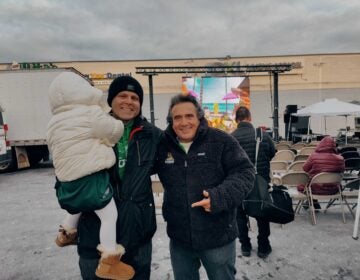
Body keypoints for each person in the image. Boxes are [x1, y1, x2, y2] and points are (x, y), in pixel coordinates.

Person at [155, 94, 255, 280]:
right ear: (171, 121)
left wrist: (219, 198)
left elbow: (245, 173)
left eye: (189, 116)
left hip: (218, 237)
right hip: (180, 239)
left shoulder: (221, 141)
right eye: (177, 118)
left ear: (199, 118)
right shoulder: (162, 146)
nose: (184, 122)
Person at [47, 72, 135, 280]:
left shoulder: (54, 122)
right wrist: (116, 126)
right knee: (108, 215)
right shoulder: (90, 113)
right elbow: (113, 131)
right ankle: (109, 260)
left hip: (67, 179)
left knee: (79, 203)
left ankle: (66, 232)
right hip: (90, 176)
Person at [76, 76, 162, 280]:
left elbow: (177, 165)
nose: (129, 101)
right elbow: (68, 169)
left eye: (135, 97)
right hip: (94, 237)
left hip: (137, 237)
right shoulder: (92, 131)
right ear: (111, 100)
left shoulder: (153, 135)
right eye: (122, 95)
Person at [231, 106, 276, 259]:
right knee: (263, 214)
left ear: (236, 119)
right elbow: (272, 153)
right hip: (260, 181)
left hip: (239, 184)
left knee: (239, 215)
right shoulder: (262, 135)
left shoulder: (231, 138)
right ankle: (263, 246)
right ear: (249, 118)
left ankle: (245, 245)